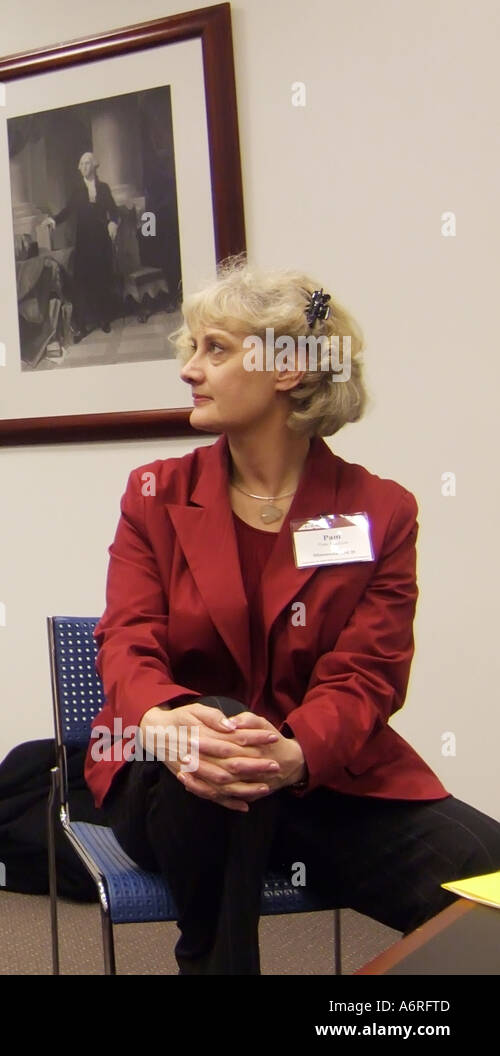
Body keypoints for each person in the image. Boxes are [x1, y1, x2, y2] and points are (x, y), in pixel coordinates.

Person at [84, 259, 500, 974]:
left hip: (318, 779)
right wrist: (159, 719)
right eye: (192, 349)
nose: (190, 369)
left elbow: (368, 674)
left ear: (290, 368)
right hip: (170, 779)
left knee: (488, 882)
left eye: (214, 349)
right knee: (214, 734)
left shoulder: (381, 510)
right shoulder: (154, 493)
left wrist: (297, 751)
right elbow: (128, 638)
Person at [48, 151, 121, 340]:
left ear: (94, 166)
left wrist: (113, 222)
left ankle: (103, 319)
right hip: (84, 241)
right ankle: (82, 325)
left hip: (101, 240)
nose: (83, 166)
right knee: (82, 281)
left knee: (102, 279)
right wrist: (53, 220)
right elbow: (67, 210)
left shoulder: (103, 188)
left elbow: (113, 210)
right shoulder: (77, 190)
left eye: (87, 163)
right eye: (81, 164)